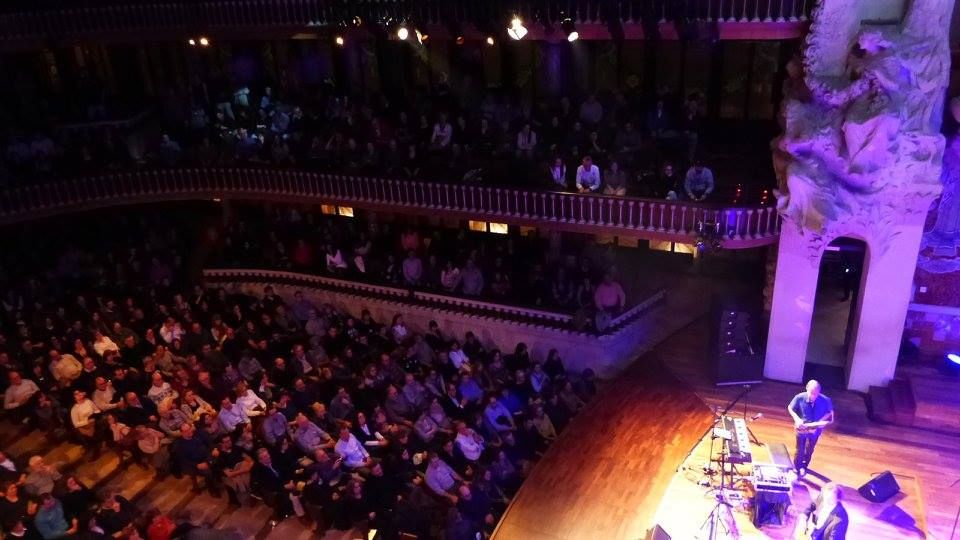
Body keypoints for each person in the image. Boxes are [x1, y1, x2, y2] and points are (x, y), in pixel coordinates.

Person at [787, 380, 835, 477]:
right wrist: (797, 419)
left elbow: (829, 413)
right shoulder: (799, 397)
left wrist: (819, 422)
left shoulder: (826, 400)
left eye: (816, 394)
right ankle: (797, 467)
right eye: (811, 393)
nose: (813, 396)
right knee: (799, 449)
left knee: (810, 449)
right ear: (807, 389)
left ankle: (804, 466)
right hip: (802, 428)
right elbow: (790, 408)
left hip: (815, 430)